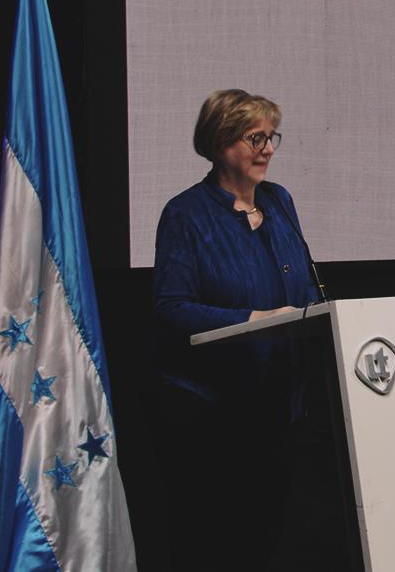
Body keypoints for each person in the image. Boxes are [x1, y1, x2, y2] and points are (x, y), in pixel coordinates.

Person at [151, 89, 321, 570]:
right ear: (222, 142)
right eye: (255, 137)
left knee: (274, 542)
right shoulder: (186, 214)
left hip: (281, 408)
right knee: (223, 547)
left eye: (272, 137)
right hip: (214, 417)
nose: (267, 148)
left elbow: (303, 287)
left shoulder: (280, 201)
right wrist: (251, 321)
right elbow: (171, 308)